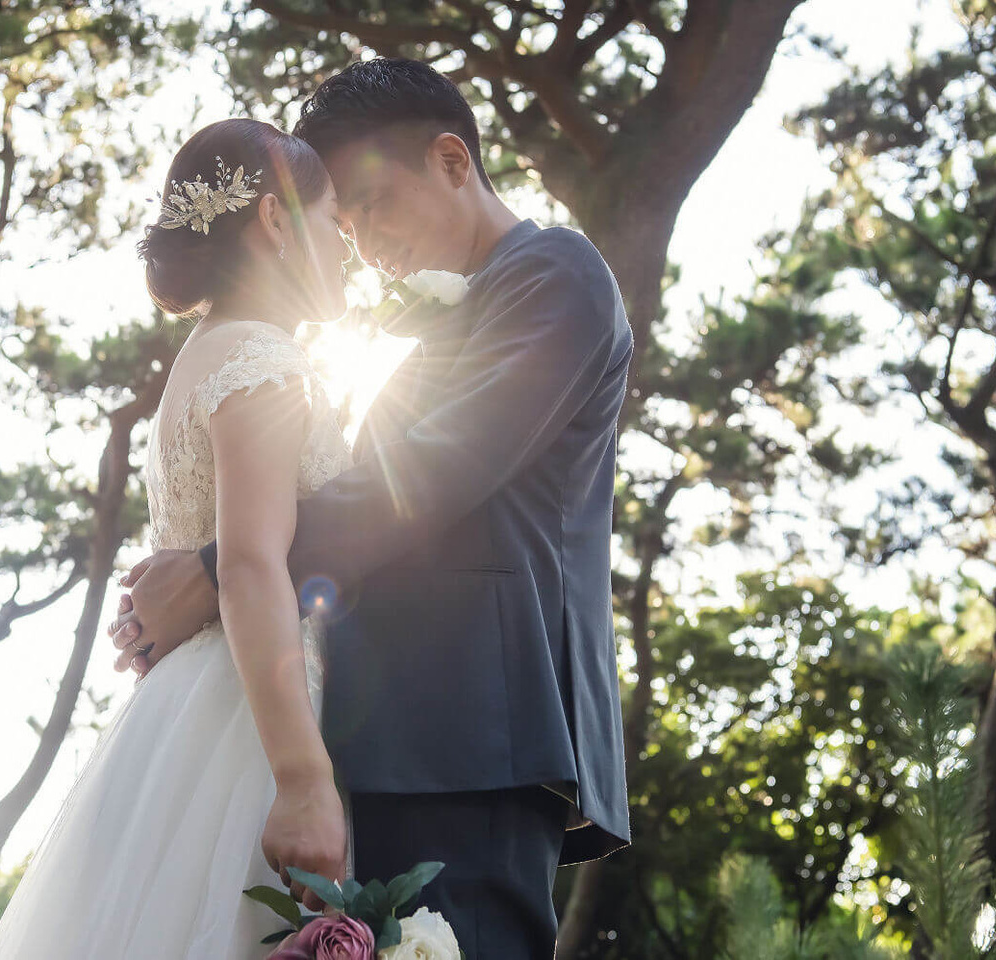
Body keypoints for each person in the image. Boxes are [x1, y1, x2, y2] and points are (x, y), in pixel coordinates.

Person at [110, 58, 635, 959]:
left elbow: (429, 475)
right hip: (389, 730)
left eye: (372, 206)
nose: (359, 244)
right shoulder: (408, 336)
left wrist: (215, 571)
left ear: (451, 161)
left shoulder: (558, 275)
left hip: (476, 732)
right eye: (340, 225)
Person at [0, 117, 355, 959]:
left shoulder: (207, 353)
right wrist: (302, 781)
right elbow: (253, 563)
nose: (347, 249)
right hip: (254, 722)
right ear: (273, 220)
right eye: (333, 223)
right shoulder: (264, 361)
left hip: (188, 719)